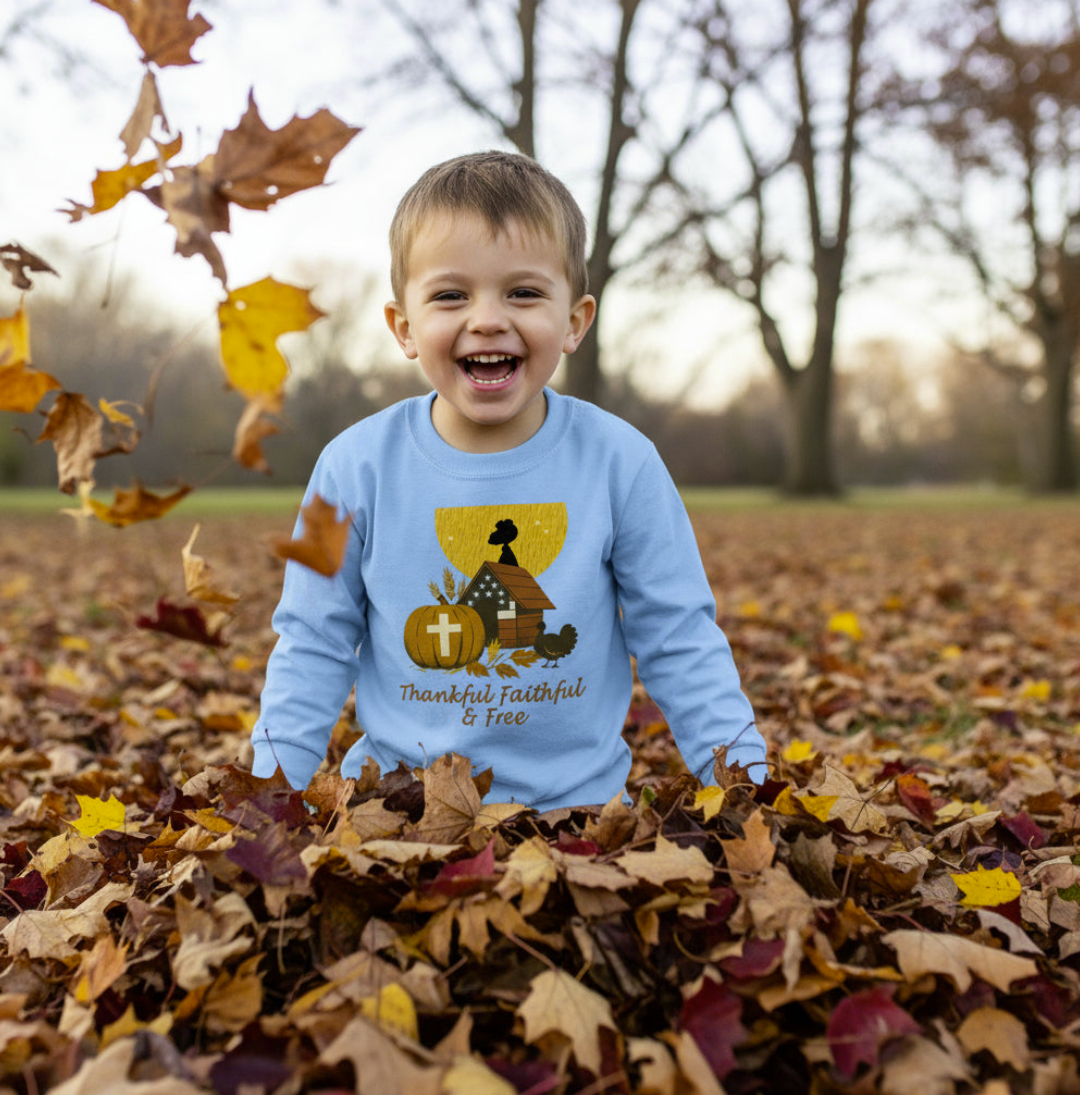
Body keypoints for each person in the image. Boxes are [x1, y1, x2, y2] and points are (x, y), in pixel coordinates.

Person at [250, 150, 767, 809]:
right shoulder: (350, 466)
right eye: (450, 295)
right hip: (402, 809)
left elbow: (679, 636)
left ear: (575, 321)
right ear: (404, 327)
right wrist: (269, 797)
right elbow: (311, 641)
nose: (488, 317)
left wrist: (746, 785)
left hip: (575, 812)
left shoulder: (621, 462)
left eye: (522, 292)